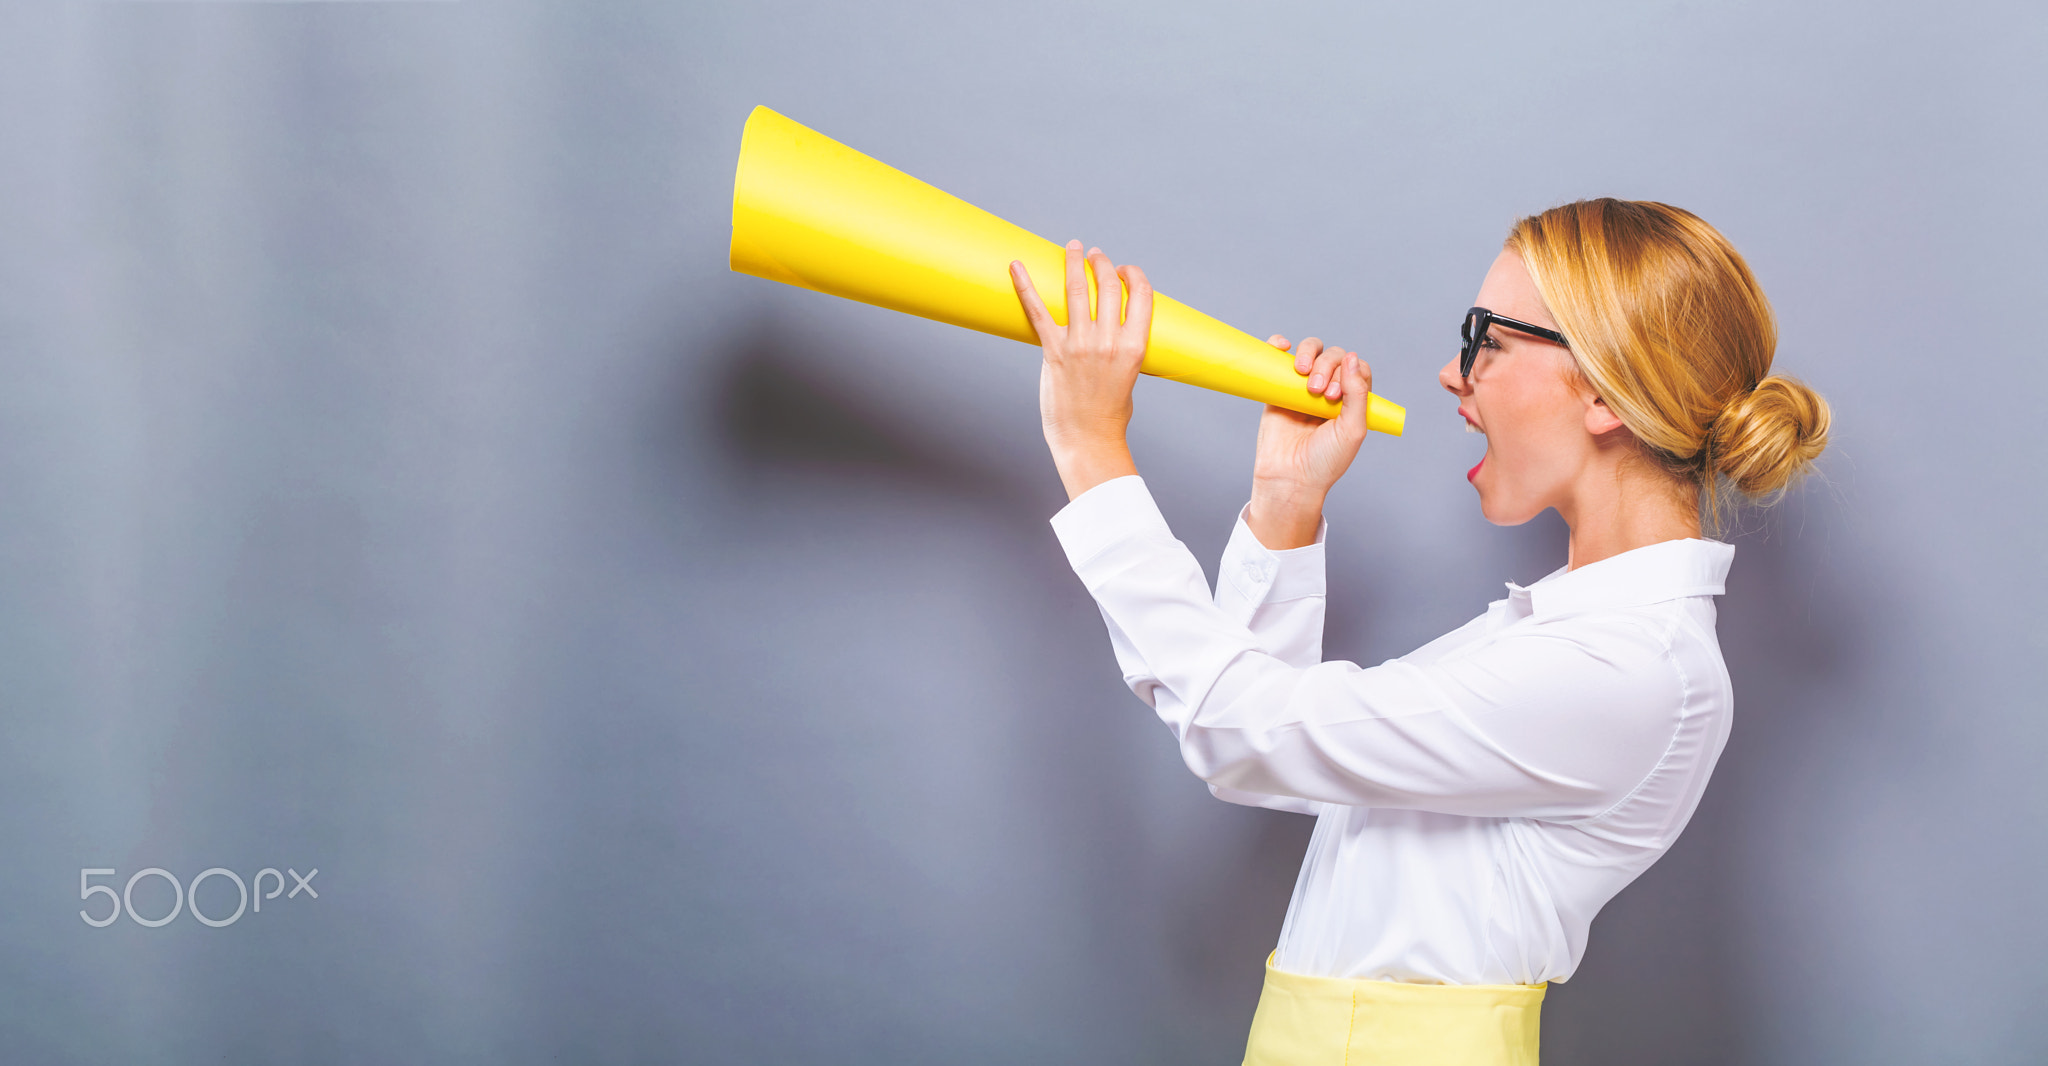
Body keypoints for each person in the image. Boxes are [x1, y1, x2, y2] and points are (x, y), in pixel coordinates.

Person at [1007, 199, 1830, 1066]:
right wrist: (1286, 508)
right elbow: (1270, 760)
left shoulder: (1628, 668)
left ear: (1600, 389)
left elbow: (1233, 731)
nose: (1452, 371)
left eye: (1488, 339)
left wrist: (1090, 446)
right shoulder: (1568, 631)